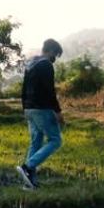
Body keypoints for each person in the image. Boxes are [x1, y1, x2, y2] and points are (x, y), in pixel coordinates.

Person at [16, 39, 64, 189]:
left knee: (36, 142)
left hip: (30, 109)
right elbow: (50, 90)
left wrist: (25, 108)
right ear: (49, 50)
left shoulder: (31, 63)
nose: (54, 58)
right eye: (55, 54)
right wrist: (58, 111)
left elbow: (23, 89)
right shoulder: (45, 65)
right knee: (55, 140)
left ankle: (29, 182)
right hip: (42, 109)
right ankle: (28, 166)